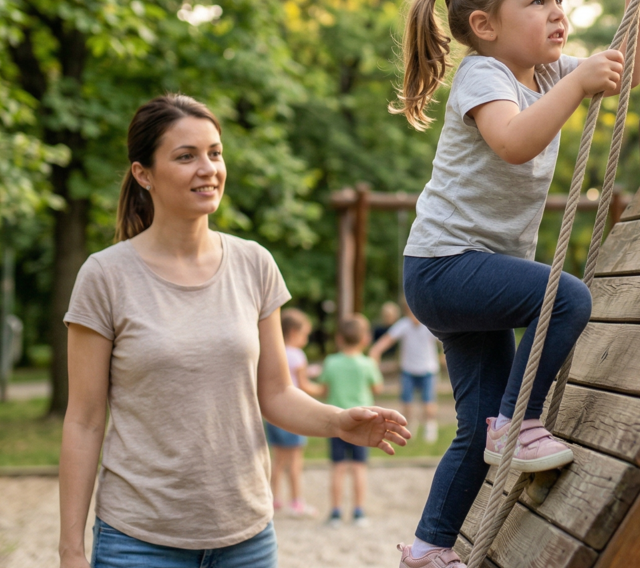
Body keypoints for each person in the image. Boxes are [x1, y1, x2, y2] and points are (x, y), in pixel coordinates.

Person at [388, 0, 640, 567]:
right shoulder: (484, 75)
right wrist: (578, 84)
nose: (558, 13)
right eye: (538, 1)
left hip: (466, 280)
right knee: (565, 297)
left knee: (473, 426)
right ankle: (520, 422)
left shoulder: (549, 76)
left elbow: (627, 74)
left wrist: (636, 4)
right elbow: (512, 141)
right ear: (484, 25)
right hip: (444, 267)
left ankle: (429, 549)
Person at [58, 95, 410, 568]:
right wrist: (70, 550)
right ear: (144, 174)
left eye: (215, 153)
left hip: (247, 539)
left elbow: (277, 393)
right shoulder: (105, 276)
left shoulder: (254, 263)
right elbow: (83, 420)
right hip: (137, 542)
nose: (207, 168)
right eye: (186, 156)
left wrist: (337, 422)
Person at [315, 314, 385, 528]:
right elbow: (377, 388)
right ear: (365, 339)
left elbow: (324, 390)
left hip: (337, 421)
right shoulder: (367, 364)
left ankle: (335, 513)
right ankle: (358, 512)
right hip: (363, 423)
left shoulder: (331, 362)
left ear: (339, 339)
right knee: (358, 467)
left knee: (337, 467)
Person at [267, 308, 323, 518]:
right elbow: (304, 386)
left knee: (278, 460)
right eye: (304, 334)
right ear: (293, 333)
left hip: (274, 414)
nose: (306, 339)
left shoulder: (274, 351)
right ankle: (297, 501)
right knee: (296, 461)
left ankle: (273, 499)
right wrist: (324, 388)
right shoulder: (298, 355)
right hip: (293, 414)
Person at [368, 301, 443, 443]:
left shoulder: (428, 326)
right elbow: (387, 340)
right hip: (408, 370)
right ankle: (410, 428)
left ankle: (430, 428)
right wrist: (376, 351)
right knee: (407, 403)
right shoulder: (403, 325)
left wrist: (445, 355)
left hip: (427, 370)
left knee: (428, 403)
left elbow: (442, 341)